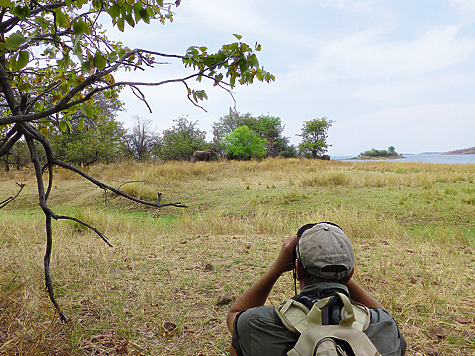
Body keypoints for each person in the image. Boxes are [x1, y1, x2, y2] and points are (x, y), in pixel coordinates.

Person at [226, 222, 407, 356]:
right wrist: (338, 270)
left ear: (297, 269)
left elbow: (236, 313)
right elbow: (387, 318)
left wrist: (277, 267)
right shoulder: (384, 325)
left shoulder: (256, 324)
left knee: (239, 345)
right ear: (351, 273)